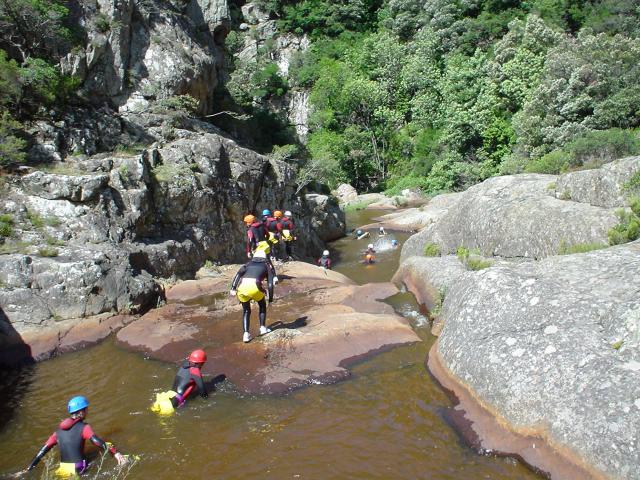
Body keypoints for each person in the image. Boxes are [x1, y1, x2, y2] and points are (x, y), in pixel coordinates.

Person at [26, 396, 127, 476]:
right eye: (86, 409)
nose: (88, 411)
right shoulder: (84, 427)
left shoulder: (57, 431)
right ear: (81, 412)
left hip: (63, 469)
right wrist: (115, 453)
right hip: (79, 468)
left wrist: (29, 468)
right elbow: (96, 441)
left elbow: (43, 450)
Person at [230, 249, 275, 343]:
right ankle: (262, 328)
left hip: (242, 288)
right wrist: (270, 300)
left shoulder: (247, 264)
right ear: (264, 258)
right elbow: (270, 284)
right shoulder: (266, 266)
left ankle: (246, 334)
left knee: (246, 311)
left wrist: (233, 288)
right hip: (255, 287)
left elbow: (238, 275)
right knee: (262, 306)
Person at [151, 350, 208, 415]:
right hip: (172, 404)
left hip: (165, 397)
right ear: (201, 363)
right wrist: (207, 400)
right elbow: (202, 390)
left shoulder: (185, 365)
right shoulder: (195, 371)